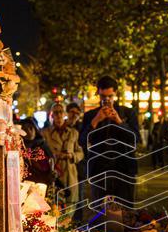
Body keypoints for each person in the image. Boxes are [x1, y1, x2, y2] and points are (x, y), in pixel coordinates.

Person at [78, 76, 142, 210]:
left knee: (126, 213)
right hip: (98, 171)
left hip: (124, 170)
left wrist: (119, 121)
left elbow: (136, 139)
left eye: (110, 96)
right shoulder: (90, 116)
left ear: (116, 94)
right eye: (103, 96)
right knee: (99, 214)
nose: (106, 100)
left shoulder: (128, 113)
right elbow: (82, 140)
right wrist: (96, 121)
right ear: (98, 94)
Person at [42, 102, 84, 204]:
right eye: (55, 112)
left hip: (70, 175)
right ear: (51, 115)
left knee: (70, 207)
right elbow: (41, 154)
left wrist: (71, 155)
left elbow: (80, 153)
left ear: (65, 114)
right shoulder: (45, 133)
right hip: (54, 175)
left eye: (61, 112)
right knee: (54, 207)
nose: (59, 115)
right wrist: (52, 157)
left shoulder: (73, 133)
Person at [20, 117, 55, 186]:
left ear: (35, 129)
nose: (29, 132)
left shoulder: (42, 144)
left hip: (44, 184)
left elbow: (51, 163)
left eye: (31, 128)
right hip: (28, 184)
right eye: (25, 129)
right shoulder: (20, 147)